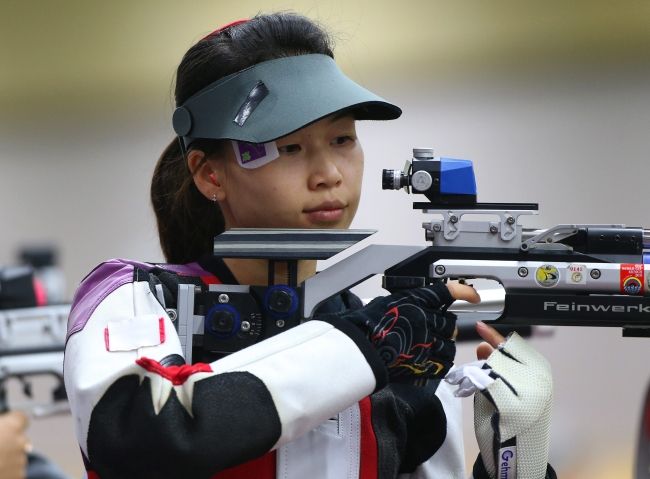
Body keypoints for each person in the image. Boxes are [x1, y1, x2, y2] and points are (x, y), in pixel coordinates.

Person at [63, 12, 554, 479]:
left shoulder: (394, 334)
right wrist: (364, 347)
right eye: (290, 148)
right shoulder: (135, 296)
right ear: (209, 173)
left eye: (342, 140)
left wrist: (515, 459)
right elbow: (146, 435)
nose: (329, 175)